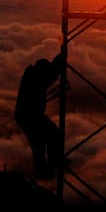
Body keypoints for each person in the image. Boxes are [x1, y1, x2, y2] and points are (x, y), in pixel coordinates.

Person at [14, 51, 64, 179]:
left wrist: (58, 61)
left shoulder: (32, 74)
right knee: (51, 135)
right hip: (30, 116)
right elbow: (49, 77)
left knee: (40, 143)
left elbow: (49, 75)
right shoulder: (36, 77)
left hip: (27, 115)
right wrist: (59, 61)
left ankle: (47, 167)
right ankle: (52, 164)